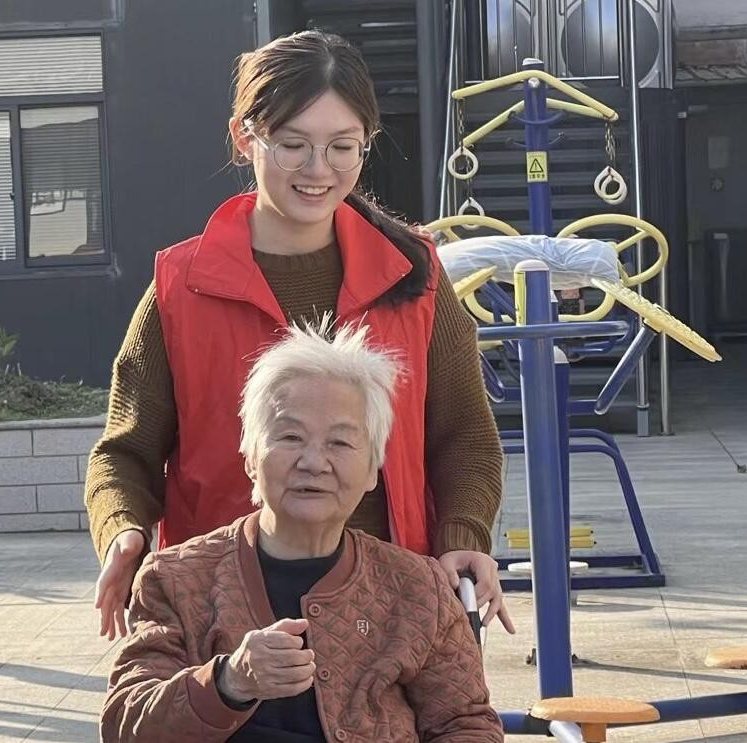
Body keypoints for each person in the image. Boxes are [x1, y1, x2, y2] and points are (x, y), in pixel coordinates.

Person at [86, 29, 513, 641]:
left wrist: (463, 533)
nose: (318, 170)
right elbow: (125, 453)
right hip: (226, 616)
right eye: (292, 145)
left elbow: (465, 434)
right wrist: (123, 530)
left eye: (343, 147)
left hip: (393, 612)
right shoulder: (183, 287)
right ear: (245, 139)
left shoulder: (413, 276)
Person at [101, 323, 504, 743]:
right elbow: (124, 726)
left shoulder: (418, 588)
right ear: (250, 457)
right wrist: (228, 682)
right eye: (290, 437)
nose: (313, 462)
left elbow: (466, 724)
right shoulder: (175, 580)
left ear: (373, 470)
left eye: (340, 443)